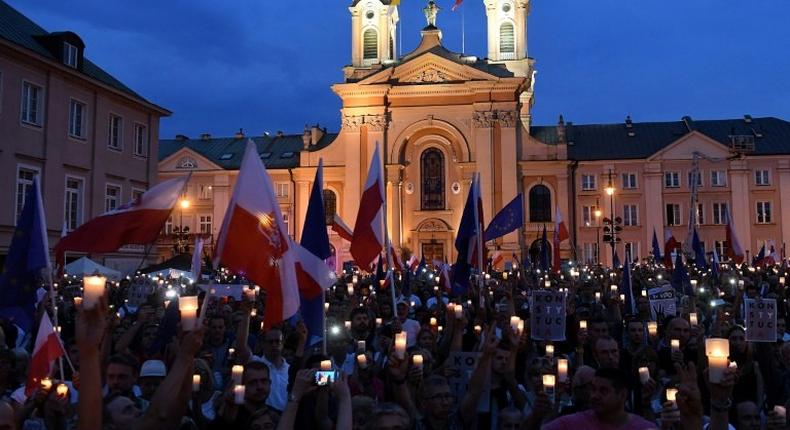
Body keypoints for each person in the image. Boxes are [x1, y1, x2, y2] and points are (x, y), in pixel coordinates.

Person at [542, 368, 656, 430]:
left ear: (622, 395)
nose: (595, 395)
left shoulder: (644, 427)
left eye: (603, 391)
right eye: (593, 389)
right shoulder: (571, 423)